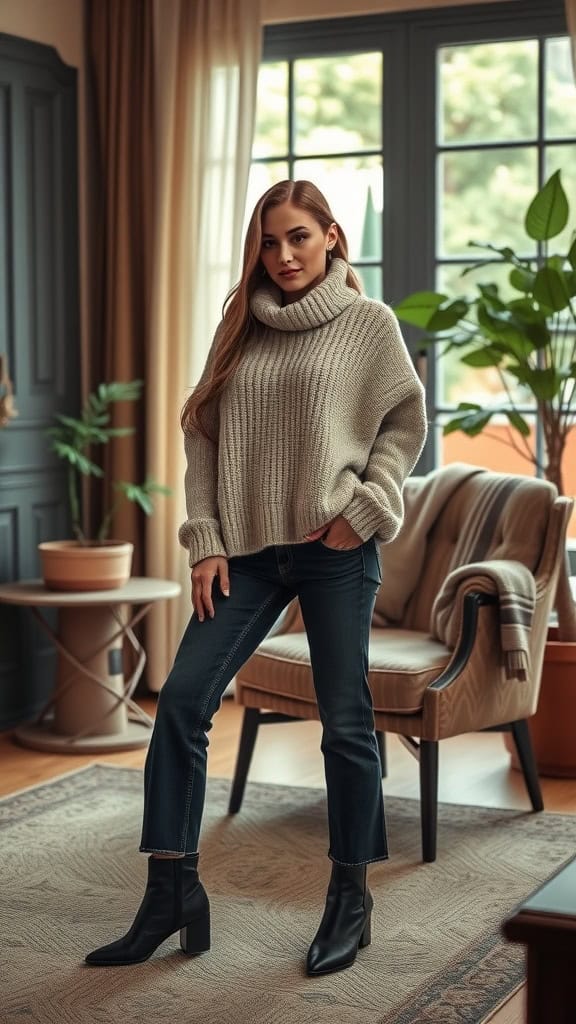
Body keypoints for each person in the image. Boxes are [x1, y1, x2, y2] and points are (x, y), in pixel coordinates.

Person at [85, 179, 427, 975]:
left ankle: (350, 898)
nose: (284, 256)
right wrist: (205, 540)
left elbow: (405, 423)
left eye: (299, 237)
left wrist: (368, 508)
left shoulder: (368, 326)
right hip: (244, 553)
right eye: (270, 242)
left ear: (333, 237)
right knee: (180, 702)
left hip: (335, 547)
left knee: (345, 722)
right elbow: (200, 434)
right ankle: (170, 892)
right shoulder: (239, 324)